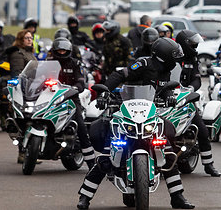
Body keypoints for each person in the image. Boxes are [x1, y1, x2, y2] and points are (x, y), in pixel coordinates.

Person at [77, 38, 194, 209]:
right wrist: (104, 93)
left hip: (149, 113)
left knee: (168, 153)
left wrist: (169, 95)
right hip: (125, 110)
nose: (175, 61)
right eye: (173, 57)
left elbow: (164, 87)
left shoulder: (166, 72)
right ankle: (85, 197)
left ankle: (177, 196)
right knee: (106, 155)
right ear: (164, 56)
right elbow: (119, 75)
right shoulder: (143, 63)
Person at [175, 30, 221, 177]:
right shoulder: (171, 56)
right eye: (192, 44)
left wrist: (190, 89)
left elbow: (197, 79)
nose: (195, 47)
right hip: (167, 98)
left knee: (201, 129)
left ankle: (208, 164)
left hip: (186, 99)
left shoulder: (192, 58)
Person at [50, 37, 95, 168]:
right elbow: (38, 78)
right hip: (50, 99)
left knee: (80, 126)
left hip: (70, 99)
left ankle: (91, 162)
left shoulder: (75, 64)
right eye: (59, 50)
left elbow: (81, 82)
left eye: (64, 50)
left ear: (68, 50)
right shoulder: (48, 63)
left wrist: (75, 88)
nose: (61, 52)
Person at [6, 30, 37, 163]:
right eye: (27, 38)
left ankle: (31, 151)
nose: (30, 40)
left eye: (31, 38)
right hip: (22, 93)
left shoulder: (29, 52)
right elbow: (18, 74)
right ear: (20, 39)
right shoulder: (18, 54)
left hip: (32, 91)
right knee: (23, 122)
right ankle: (23, 153)